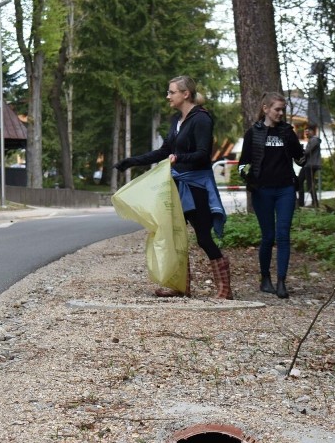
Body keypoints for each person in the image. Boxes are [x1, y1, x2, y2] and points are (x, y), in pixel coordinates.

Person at [115, 76, 231, 299]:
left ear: (185, 94)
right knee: (174, 235)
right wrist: (131, 161)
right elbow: (163, 151)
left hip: (196, 185)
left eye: (171, 92)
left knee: (203, 238)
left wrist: (178, 157)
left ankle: (225, 289)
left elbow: (203, 154)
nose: (168, 96)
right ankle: (180, 286)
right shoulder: (176, 120)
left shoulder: (201, 119)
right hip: (177, 184)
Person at [238, 92, 305, 299]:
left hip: (285, 189)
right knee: (268, 236)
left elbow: (299, 159)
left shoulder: (287, 132)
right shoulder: (253, 133)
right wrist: (246, 176)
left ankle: (282, 282)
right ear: (266, 109)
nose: (281, 113)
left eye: (283, 110)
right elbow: (243, 161)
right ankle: (265, 278)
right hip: (262, 191)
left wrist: (305, 154)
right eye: (277, 109)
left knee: (283, 235)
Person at [298, 125, 321, 207]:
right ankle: (300, 203)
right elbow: (306, 154)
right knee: (299, 181)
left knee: (310, 184)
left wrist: (300, 150)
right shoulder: (311, 140)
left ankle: (315, 203)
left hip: (311, 165)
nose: (306, 133)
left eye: (308, 131)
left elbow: (307, 152)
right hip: (307, 165)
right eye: (305, 132)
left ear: (312, 131)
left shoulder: (315, 140)